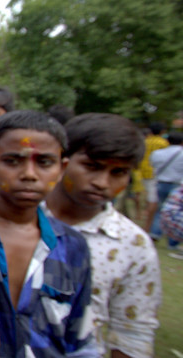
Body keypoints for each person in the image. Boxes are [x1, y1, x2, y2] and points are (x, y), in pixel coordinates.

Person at [0, 110, 95, 357]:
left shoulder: (73, 246)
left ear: (61, 168)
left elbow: (79, 339)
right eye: (12, 161)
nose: (29, 174)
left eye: (44, 162)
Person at [44, 113, 161, 357]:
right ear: (62, 160)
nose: (101, 182)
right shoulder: (11, 216)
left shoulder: (133, 245)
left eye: (118, 172)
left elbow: (133, 333)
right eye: (92, 166)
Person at [149, 131, 183, 247]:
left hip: (161, 183)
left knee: (161, 209)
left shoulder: (157, 153)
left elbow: (153, 165)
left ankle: (155, 232)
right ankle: (173, 241)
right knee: (177, 213)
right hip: (177, 185)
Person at [140, 122, 169, 233]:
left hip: (143, 172)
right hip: (156, 173)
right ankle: (149, 227)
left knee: (149, 198)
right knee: (154, 202)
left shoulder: (145, 141)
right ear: (162, 132)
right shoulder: (163, 143)